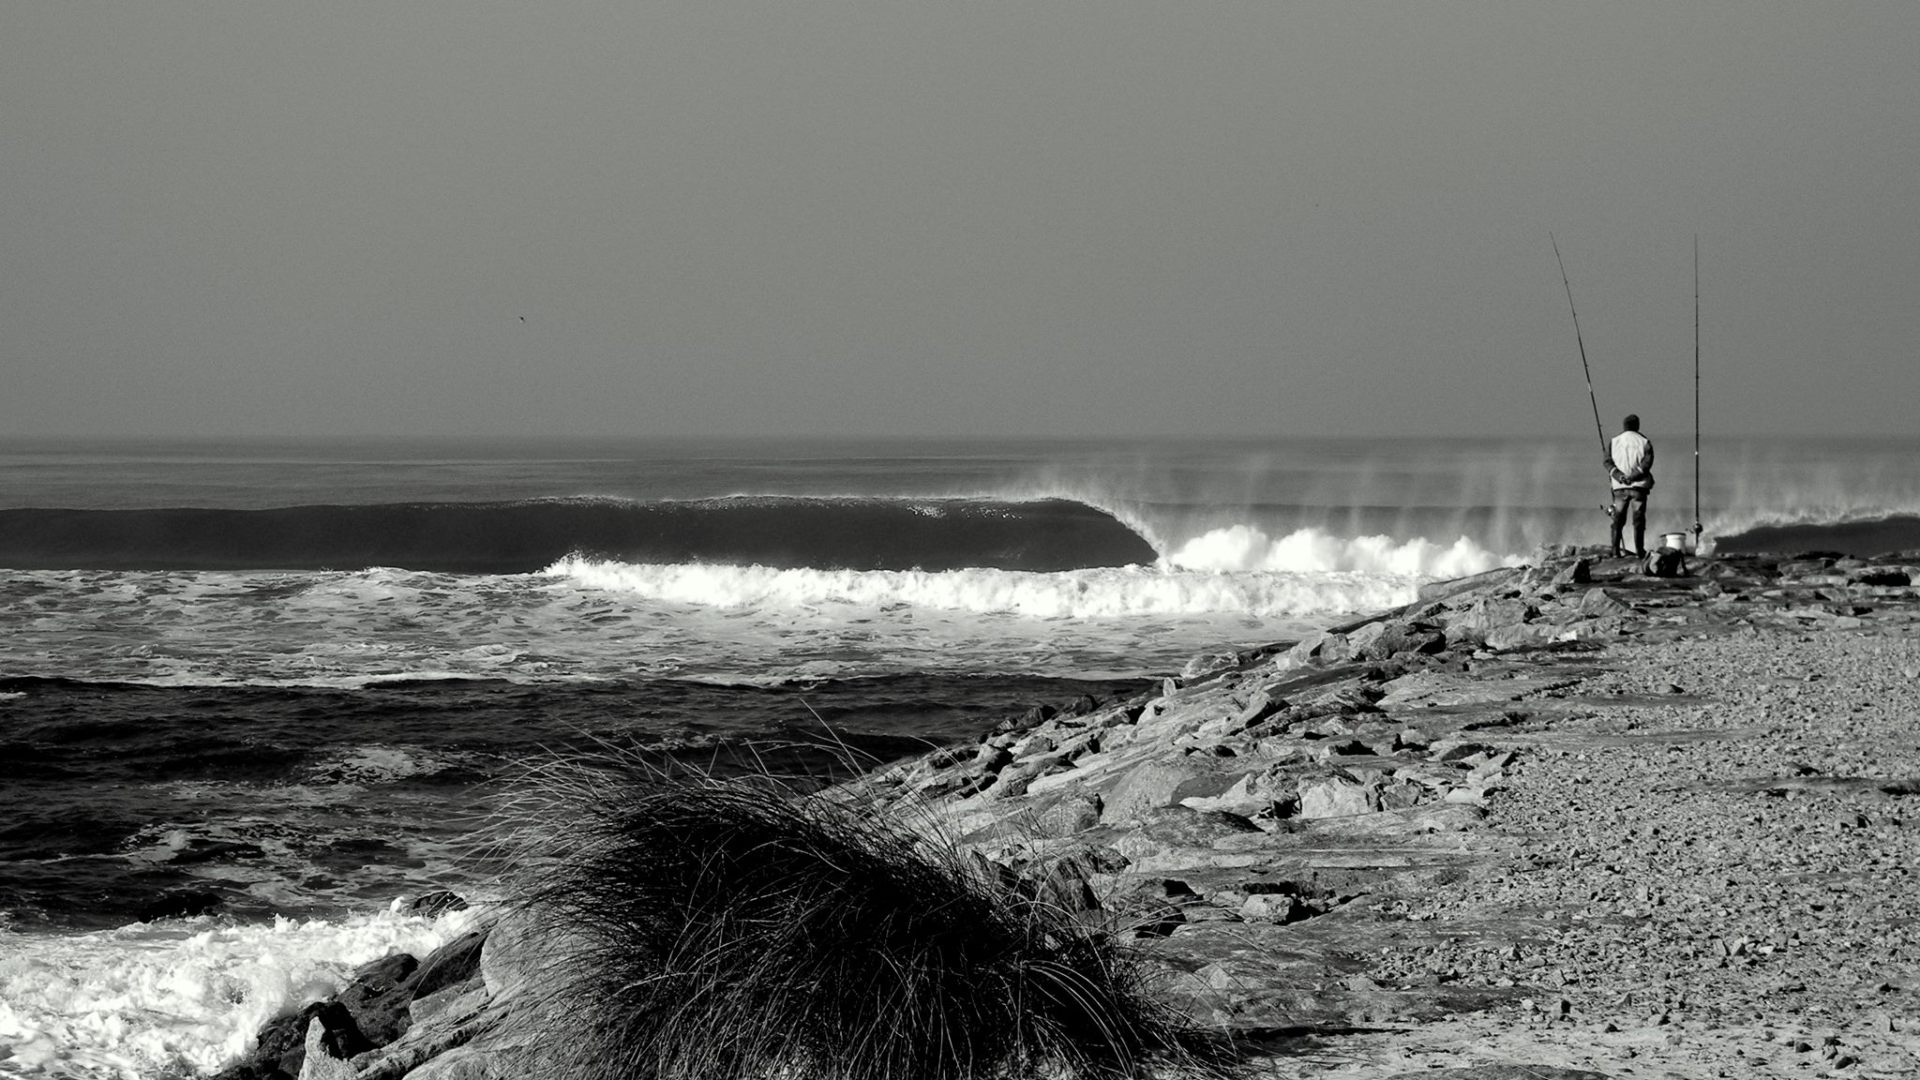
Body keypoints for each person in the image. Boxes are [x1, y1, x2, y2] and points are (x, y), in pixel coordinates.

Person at [1605, 414, 1655, 557]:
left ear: (1624, 426)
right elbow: (1647, 464)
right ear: (1637, 425)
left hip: (1619, 488)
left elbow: (1607, 462)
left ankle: (1615, 551)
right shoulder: (1644, 442)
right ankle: (1639, 551)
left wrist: (1619, 476)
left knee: (1618, 520)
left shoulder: (1614, 441)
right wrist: (1632, 477)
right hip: (1639, 487)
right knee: (1638, 520)